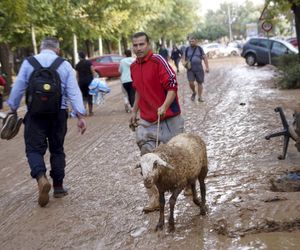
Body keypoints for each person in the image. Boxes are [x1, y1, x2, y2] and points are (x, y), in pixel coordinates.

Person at [7, 37, 87, 207]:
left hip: (35, 115)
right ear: (57, 49)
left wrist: (13, 108)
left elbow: (19, 87)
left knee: (33, 149)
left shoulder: (29, 63)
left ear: (41, 48)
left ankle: (40, 177)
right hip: (58, 114)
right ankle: (58, 187)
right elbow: (74, 91)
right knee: (57, 149)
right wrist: (80, 115)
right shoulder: (64, 65)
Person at [129, 32, 184, 212]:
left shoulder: (158, 61)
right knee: (146, 158)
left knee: (178, 156)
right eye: (135, 45)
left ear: (148, 44)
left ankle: (189, 186)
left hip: (170, 118)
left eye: (141, 44)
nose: (138, 48)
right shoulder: (133, 67)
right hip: (147, 119)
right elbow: (138, 91)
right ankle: (153, 198)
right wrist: (134, 110)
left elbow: (172, 86)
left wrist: (164, 105)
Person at [185, 36, 209, 102]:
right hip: (190, 69)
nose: (191, 43)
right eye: (190, 41)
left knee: (200, 83)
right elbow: (184, 58)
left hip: (199, 68)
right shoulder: (187, 49)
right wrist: (184, 63)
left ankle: (200, 97)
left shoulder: (200, 49)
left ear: (196, 41)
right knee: (191, 83)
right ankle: (194, 92)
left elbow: (204, 58)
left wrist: (207, 67)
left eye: (192, 41)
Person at [75, 51, 96, 116]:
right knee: (90, 96)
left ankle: (84, 111)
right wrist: (94, 79)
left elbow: (77, 75)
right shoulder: (89, 62)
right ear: (85, 56)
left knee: (84, 96)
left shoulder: (77, 64)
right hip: (89, 81)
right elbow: (93, 71)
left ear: (79, 57)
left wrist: (77, 82)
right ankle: (90, 111)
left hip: (81, 82)